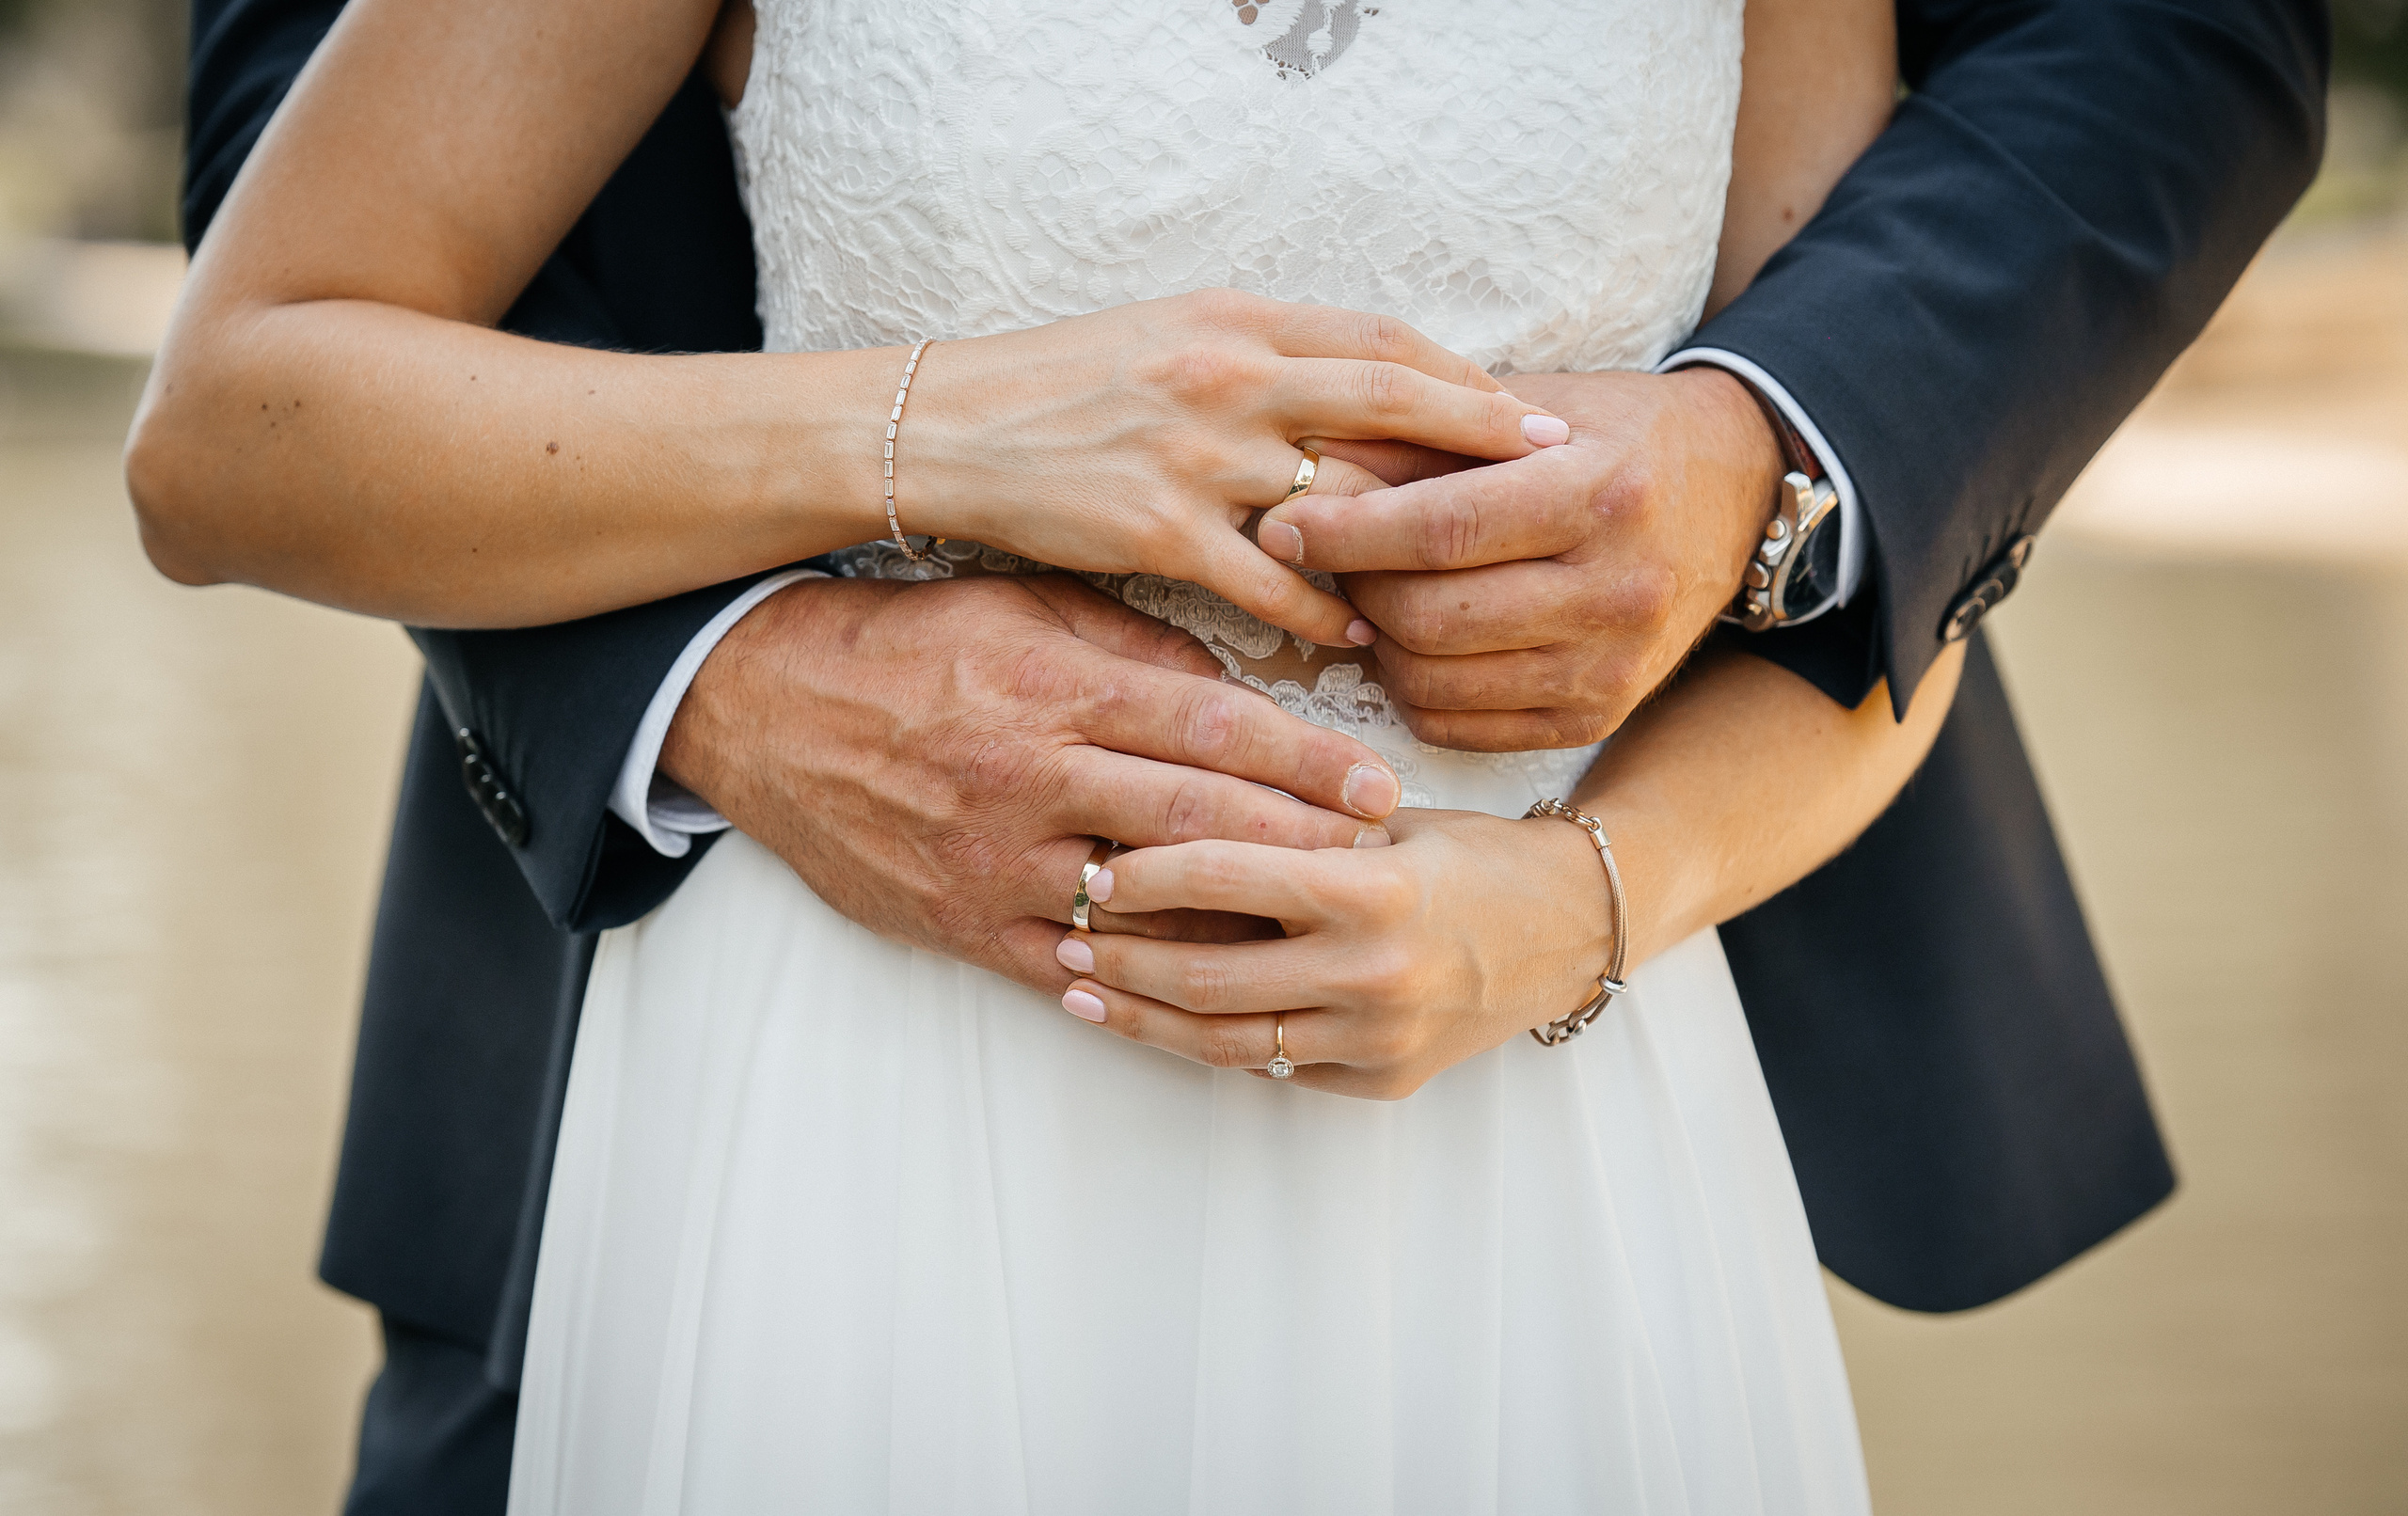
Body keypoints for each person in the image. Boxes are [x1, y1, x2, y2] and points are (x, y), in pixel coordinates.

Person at [152, 0, 2327, 1508]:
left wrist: (1571, 904)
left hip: (1524, 1095)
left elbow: (1850, 579)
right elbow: (241, 408)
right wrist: (927, 434)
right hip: (871, 1074)